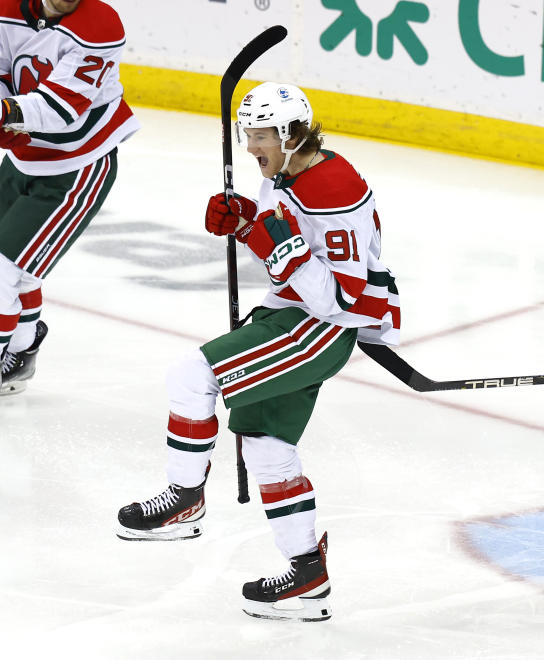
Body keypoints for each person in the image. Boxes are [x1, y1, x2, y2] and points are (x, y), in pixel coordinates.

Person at [115, 82, 400, 622]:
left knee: (192, 374)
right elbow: (281, 246)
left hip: (320, 326)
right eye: (247, 134)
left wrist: (272, 244)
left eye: (261, 135)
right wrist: (247, 220)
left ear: (292, 135)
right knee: (266, 446)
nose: (250, 147)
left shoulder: (333, 187)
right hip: (289, 313)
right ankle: (306, 575)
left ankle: (184, 497)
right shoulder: (286, 173)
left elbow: (342, 296)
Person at [0, 0, 139, 394]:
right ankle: (20, 356)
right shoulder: (6, 9)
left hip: (78, 164)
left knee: (3, 271)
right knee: (18, 269)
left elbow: (60, 108)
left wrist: (5, 111)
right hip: (25, 158)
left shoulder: (100, 23)